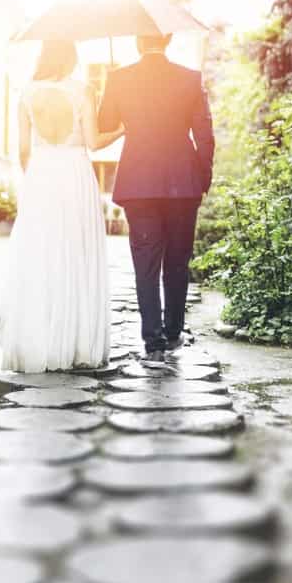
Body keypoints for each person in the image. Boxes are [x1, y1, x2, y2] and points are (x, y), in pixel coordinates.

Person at [0, 40, 123, 372]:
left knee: (41, 254)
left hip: (41, 175)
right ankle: (77, 343)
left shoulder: (27, 94)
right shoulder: (83, 91)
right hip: (75, 172)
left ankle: (40, 341)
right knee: (76, 251)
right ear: (72, 59)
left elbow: (22, 150)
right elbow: (92, 142)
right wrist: (121, 130)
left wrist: (34, 180)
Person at [98, 33, 215, 362]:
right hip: (183, 183)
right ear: (167, 39)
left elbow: (104, 123)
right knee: (178, 262)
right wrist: (202, 179)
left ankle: (152, 339)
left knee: (145, 263)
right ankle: (174, 332)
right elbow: (205, 135)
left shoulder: (119, 77)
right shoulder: (190, 79)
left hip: (139, 183)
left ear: (137, 42)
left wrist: (113, 89)